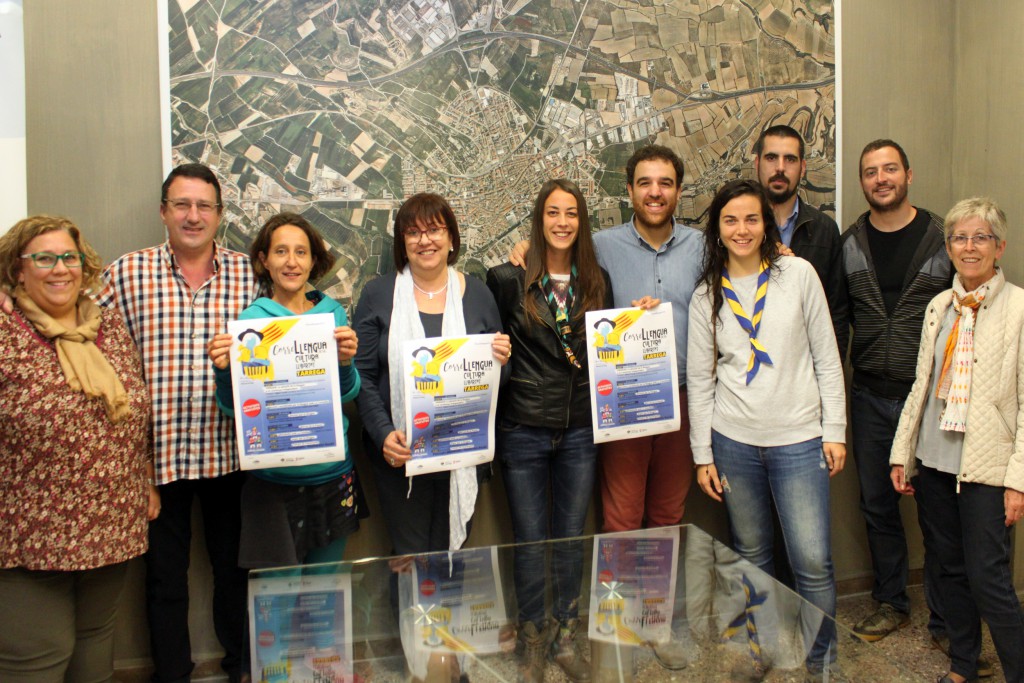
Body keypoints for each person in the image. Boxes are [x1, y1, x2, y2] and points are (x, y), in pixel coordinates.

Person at [100, 164, 257, 683]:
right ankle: (172, 675)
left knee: (235, 573)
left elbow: (291, 332)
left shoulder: (248, 275)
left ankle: (241, 669)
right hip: (156, 458)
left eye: (204, 206)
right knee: (164, 580)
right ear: (163, 212)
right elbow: (82, 333)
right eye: (182, 205)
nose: (193, 216)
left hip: (230, 453)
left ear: (220, 214)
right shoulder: (126, 273)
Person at [688, 179, 846, 681]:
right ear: (717, 228)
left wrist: (835, 428)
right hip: (734, 442)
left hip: (798, 439)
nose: (742, 229)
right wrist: (702, 454)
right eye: (731, 220)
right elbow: (701, 379)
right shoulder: (706, 294)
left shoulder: (798, 275)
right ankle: (762, 652)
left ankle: (821, 662)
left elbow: (827, 356)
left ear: (767, 224)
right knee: (752, 556)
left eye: (752, 219)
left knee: (812, 561)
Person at [0, 216, 159, 681]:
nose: (60, 269)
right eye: (43, 258)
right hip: (30, 531)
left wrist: (145, 478)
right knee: (39, 655)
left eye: (69, 257)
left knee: (95, 640)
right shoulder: (6, 328)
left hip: (112, 520)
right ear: (18, 269)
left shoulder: (106, 325)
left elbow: (134, 413)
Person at [890, 197, 1024, 683]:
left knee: (989, 580)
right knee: (947, 570)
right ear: (948, 248)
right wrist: (902, 454)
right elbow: (921, 386)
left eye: (980, 237)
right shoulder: (940, 306)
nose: (969, 247)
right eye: (960, 238)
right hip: (934, 462)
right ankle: (964, 665)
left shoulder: (1018, 308)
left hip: (987, 468)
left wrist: (1018, 481)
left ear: (999, 247)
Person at [486, 180, 613, 682]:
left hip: (580, 427)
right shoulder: (507, 279)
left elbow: (608, 345)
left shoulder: (597, 280)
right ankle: (532, 641)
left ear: (582, 221)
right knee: (530, 540)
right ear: (539, 220)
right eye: (553, 212)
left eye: (572, 213)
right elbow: (489, 347)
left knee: (570, 538)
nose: (562, 222)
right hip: (524, 427)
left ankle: (565, 636)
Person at [840, 140, 959, 653]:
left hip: (930, 401)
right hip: (869, 395)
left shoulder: (942, 239)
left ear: (908, 174)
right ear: (862, 182)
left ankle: (947, 621)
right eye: (871, 172)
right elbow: (837, 318)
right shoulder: (849, 244)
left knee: (937, 512)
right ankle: (891, 601)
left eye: (890, 169)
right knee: (877, 506)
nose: (881, 178)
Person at [353, 192, 510, 555]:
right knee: (410, 560)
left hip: (461, 452)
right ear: (402, 243)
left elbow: (496, 380)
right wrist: (383, 434)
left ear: (451, 237)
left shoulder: (478, 295)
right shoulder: (378, 295)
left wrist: (502, 361)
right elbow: (362, 373)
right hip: (400, 455)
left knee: (451, 560)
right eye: (413, 232)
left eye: (435, 229)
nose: (425, 240)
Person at [208, 212, 364, 568]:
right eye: (281, 251)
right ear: (265, 260)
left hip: (333, 475)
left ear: (313, 260)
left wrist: (345, 363)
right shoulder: (251, 322)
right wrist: (223, 371)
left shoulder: (333, 316)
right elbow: (232, 408)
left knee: (328, 586)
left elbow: (346, 394)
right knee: (275, 592)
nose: (291, 262)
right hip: (272, 482)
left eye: (301, 252)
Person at [752, 124, 846, 350]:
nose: (780, 168)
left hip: (807, 366)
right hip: (753, 362)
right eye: (771, 158)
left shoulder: (825, 230)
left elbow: (837, 314)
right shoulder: (740, 233)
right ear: (757, 164)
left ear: (802, 168)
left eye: (790, 159)